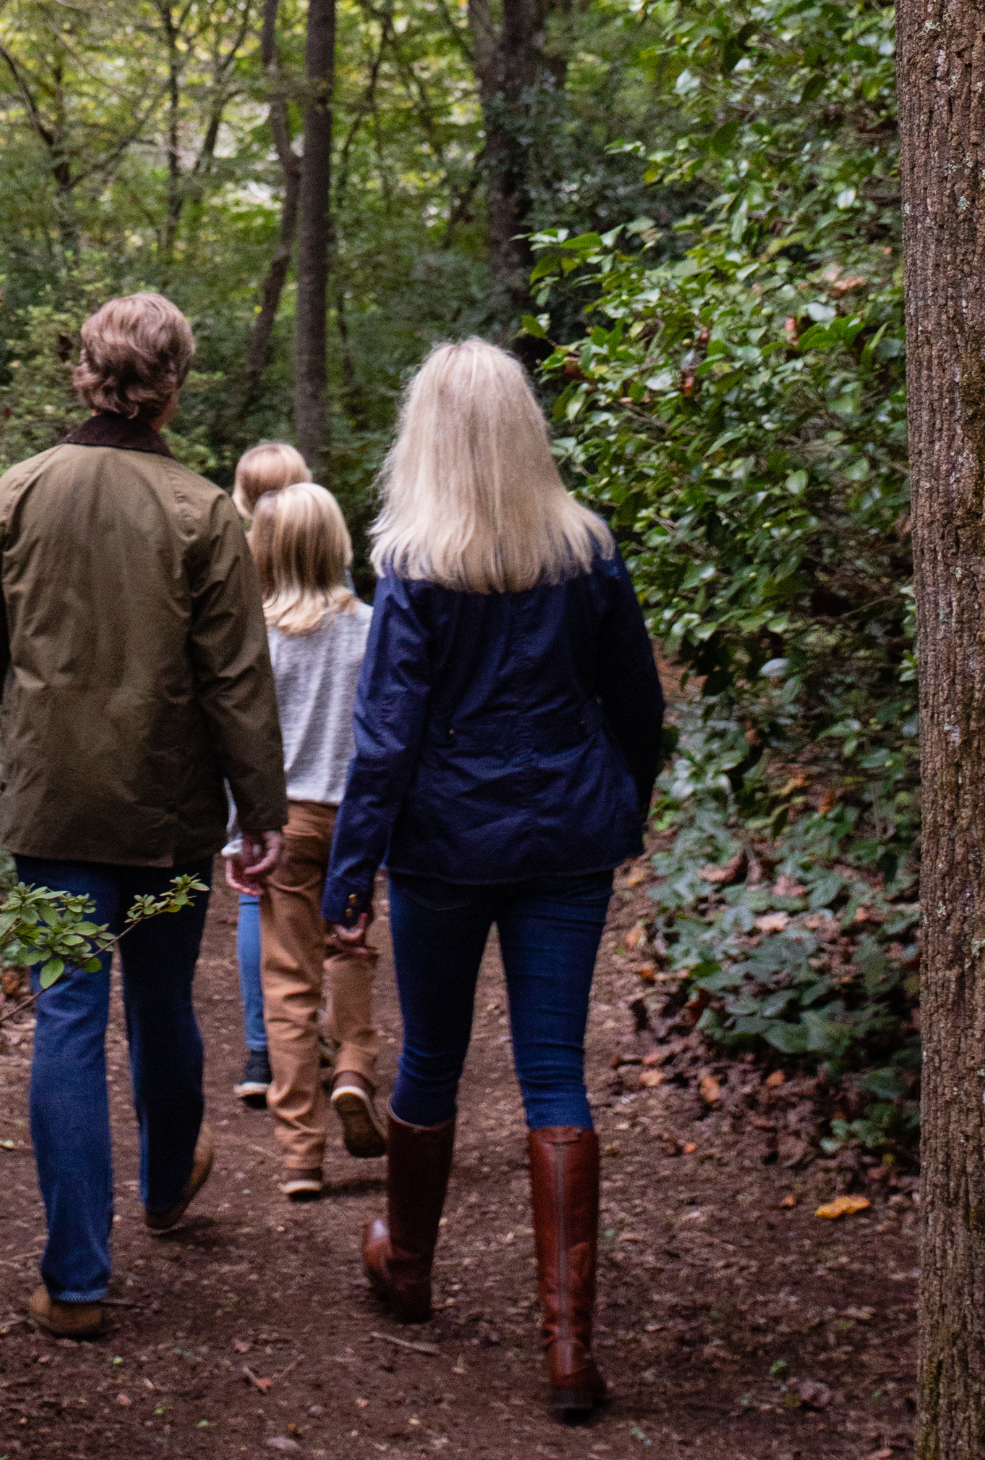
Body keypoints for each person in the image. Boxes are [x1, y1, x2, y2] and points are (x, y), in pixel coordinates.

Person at [321, 339, 664, 1418]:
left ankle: (408, 1265)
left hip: (444, 841)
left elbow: (385, 734)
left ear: (426, 435)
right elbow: (638, 703)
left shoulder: (415, 562)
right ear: (524, 430)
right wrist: (623, 799)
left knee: (431, 1051)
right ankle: (568, 1353)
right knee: (553, 1070)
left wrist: (352, 866)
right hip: (564, 834)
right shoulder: (585, 549)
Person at [0, 292, 288, 1342]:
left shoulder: (21, 488)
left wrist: (37, 718)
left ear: (83, 374)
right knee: (159, 1006)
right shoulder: (201, 510)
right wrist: (262, 807)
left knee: (65, 1018)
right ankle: (161, 1186)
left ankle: (76, 1281)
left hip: (53, 800)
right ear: (173, 382)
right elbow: (236, 677)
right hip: (168, 805)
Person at [225, 482, 385, 1200]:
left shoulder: (254, 637)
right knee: (349, 944)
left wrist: (237, 836)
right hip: (353, 817)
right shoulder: (373, 628)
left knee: (288, 982)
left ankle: (301, 1154)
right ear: (337, 545)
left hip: (282, 818)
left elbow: (241, 743)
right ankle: (353, 1069)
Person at [224, 440, 314, 1107]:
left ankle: (264, 1051)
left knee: (257, 901)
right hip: (327, 794)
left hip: (257, 780)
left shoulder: (233, 583)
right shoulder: (332, 596)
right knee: (329, 915)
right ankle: (326, 1043)